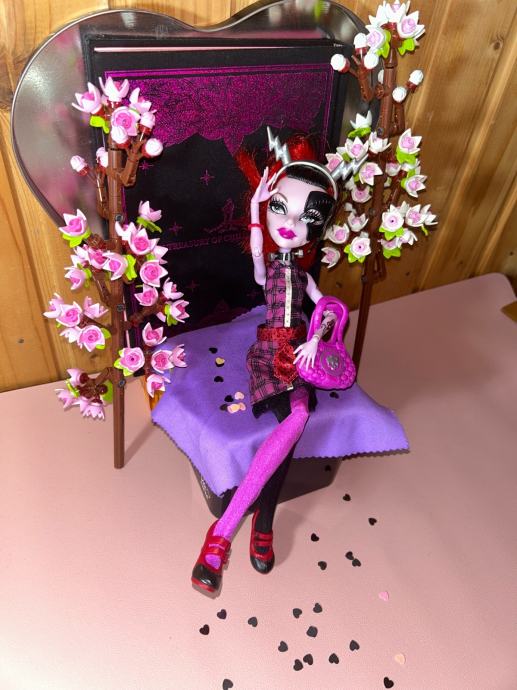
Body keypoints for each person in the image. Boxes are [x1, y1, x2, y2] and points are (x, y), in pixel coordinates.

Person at [191, 130, 358, 593]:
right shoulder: (269, 268)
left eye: (305, 218)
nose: (289, 223)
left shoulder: (304, 277)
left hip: (298, 354)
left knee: (296, 418)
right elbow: (257, 255)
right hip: (269, 353)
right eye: (281, 208)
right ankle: (258, 526)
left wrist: (317, 337)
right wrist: (254, 209)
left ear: (316, 230)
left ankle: (223, 532)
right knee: (295, 422)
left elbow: (331, 309)